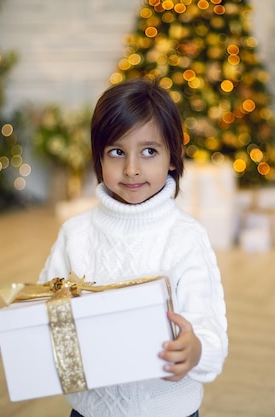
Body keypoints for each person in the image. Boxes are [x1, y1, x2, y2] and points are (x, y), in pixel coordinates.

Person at [38, 78, 228, 417]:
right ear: (98, 157)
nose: (132, 169)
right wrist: (27, 337)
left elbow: (210, 334)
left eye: (149, 151)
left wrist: (195, 350)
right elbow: (47, 313)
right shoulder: (75, 235)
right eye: (117, 152)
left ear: (173, 156)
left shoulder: (186, 238)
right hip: (90, 411)